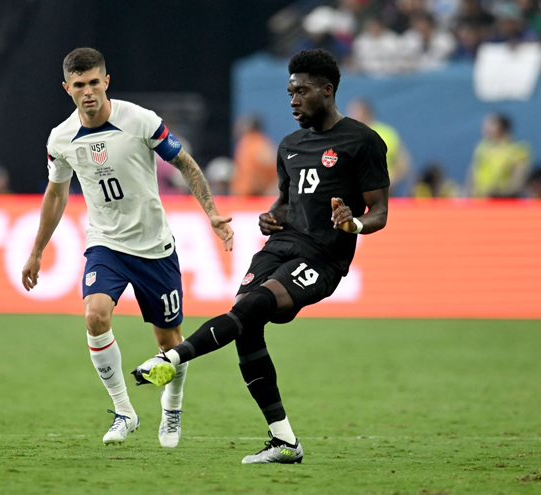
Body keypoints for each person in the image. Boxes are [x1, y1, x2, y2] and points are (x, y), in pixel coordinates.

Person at [134, 49, 389, 464]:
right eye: (290, 92)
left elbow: (379, 212)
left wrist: (353, 225)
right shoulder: (289, 146)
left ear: (327, 91)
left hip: (323, 259)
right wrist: (272, 217)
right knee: (246, 324)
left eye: (302, 92)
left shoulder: (361, 141)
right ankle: (284, 441)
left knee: (252, 306)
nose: (293, 101)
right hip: (282, 246)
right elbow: (288, 203)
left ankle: (174, 358)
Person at [21, 48, 234, 448]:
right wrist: (36, 251)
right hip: (106, 243)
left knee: (170, 343)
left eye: (94, 82)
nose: (88, 92)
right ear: (67, 88)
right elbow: (56, 193)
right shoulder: (61, 139)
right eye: (79, 85)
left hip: (154, 246)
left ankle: (172, 406)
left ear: (106, 81)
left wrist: (212, 213)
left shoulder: (140, 120)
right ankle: (124, 411)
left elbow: (185, 163)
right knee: (95, 316)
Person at [347, 98, 411, 195]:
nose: (352, 116)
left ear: (366, 113)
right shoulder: (347, 135)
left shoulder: (386, 134)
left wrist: (388, 183)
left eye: (356, 112)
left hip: (384, 193)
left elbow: (403, 166)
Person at [467, 113, 532, 198]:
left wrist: (497, 193)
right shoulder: (481, 148)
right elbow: (472, 174)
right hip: (481, 201)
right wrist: (470, 194)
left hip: (506, 200)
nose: (485, 128)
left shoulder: (518, 150)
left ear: (501, 127)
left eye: (491, 124)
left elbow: (518, 180)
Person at [230, 115, 278, 197]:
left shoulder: (250, 143)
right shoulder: (265, 143)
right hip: (259, 197)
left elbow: (251, 176)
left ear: (248, 126)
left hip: (249, 198)